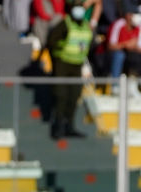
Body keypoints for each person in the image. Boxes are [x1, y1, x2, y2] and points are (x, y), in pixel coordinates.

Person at [46, 0, 92, 139]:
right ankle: (58, 126)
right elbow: (52, 42)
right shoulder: (65, 23)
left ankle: (69, 125)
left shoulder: (85, 25)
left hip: (77, 65)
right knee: (61, 95)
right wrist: (58, 56)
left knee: (74, 95)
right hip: (63, 63)